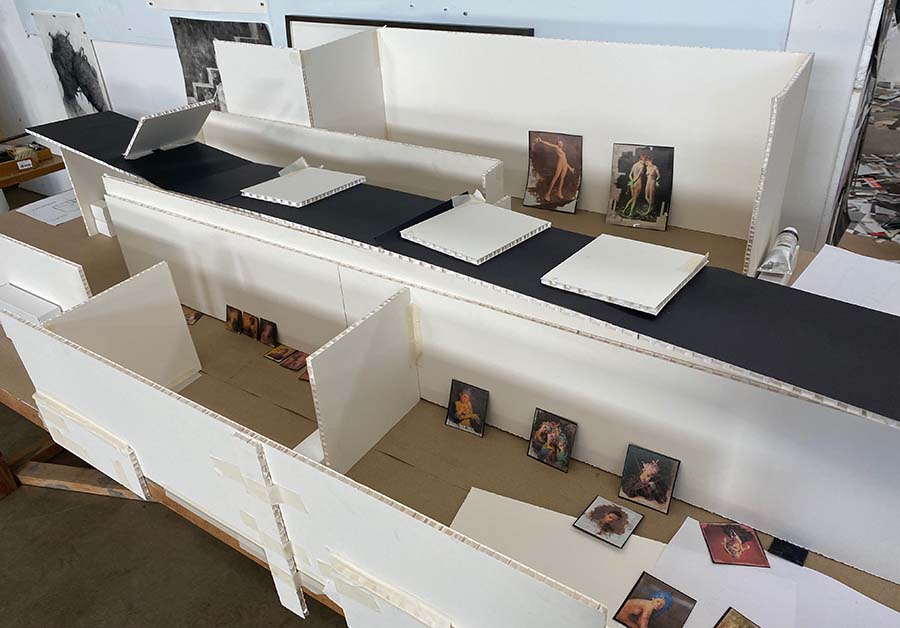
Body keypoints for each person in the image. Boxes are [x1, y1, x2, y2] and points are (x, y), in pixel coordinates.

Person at [534, 136, 576, 202]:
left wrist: (570, 168)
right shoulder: (557, 148)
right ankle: (548, 194)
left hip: (565, 165)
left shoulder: (563, 152)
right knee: (555, 178)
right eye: (559, 143)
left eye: (561, 143)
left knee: (562, 178)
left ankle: (559, 193)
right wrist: (541, 141)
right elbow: (549, 144)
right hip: (560, 164)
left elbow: (565, 160)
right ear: (557, 144)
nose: (560, 144)